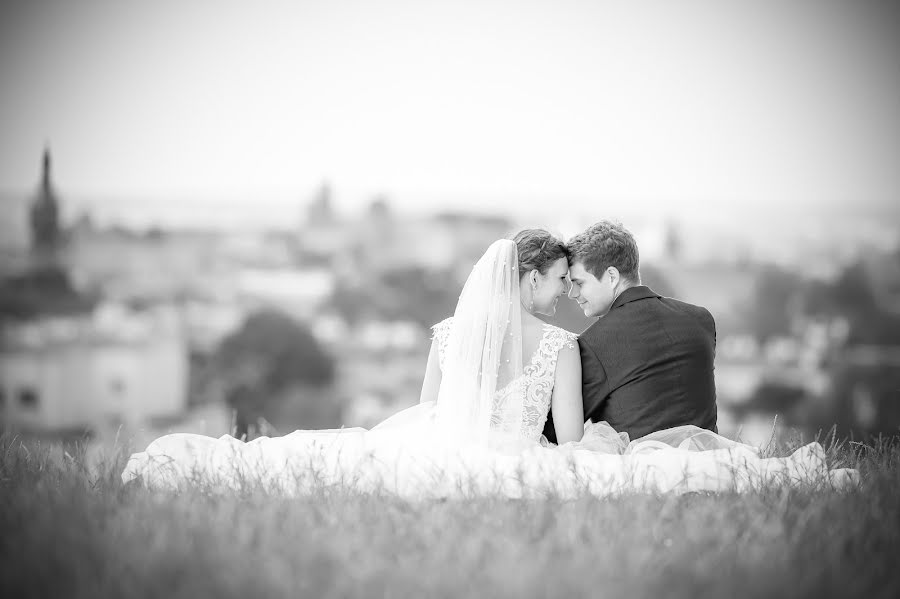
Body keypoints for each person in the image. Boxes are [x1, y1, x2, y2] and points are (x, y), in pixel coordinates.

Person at [122, 229, 857, 498]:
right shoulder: (557, 346)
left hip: (432, 448)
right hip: (513, 460)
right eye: (559, 280)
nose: (564, 293)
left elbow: (427, 413)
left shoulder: (448, 333)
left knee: (298, 461)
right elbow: (569, 446)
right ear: (531, 278)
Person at [543, 220, 718, 446]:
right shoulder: (702, 320)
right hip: (712, 464)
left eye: (579, 282)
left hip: (641, 473)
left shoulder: (594, 343)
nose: (573, 293)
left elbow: (557, 431)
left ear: (612, 277)